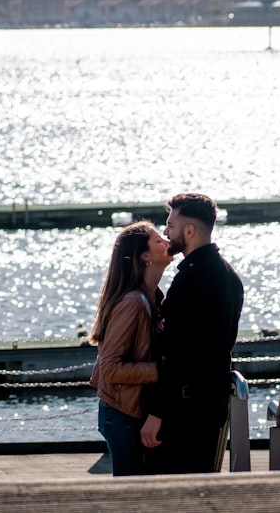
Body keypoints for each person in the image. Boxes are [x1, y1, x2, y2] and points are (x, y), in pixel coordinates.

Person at [140, 193, 244, 474]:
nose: (165, 232)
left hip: (183, 412)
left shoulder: (192, 278)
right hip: (210, 404)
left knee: (170, 492)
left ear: (189, 231)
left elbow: (179, 354)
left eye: (171, 226)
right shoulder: (228, 275)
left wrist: (157, 413)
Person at [88, 221, 172, 476]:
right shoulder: (133, 302)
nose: (167, 241)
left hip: (128, 409)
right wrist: (163, 371)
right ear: (145, 256)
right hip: (122, 413)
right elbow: (109, 368)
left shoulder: (152, 298)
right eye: (159, 240)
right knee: (131, 493)